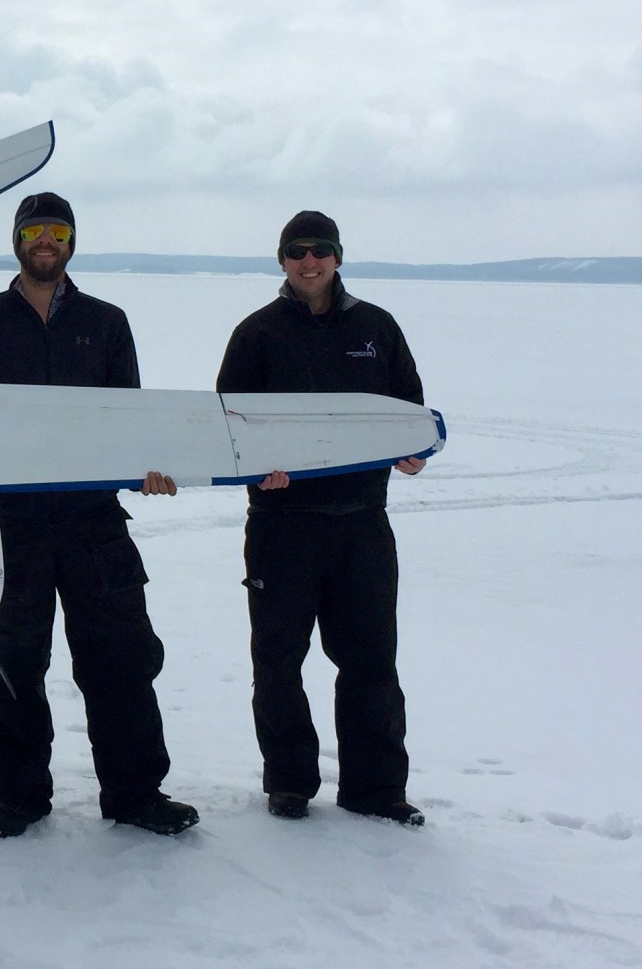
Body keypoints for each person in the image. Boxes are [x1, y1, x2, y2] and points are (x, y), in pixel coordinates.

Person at [0, 191, 198, 840]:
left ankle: (134, 793)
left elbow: (130, 418)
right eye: (35, 229)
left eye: (58, 229)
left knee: (122, 661)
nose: (47, 240)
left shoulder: (106, 322)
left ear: (72, 240)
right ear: (17, 240)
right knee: (11, 663)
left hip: (93, 523)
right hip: (10, 525)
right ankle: (19, 795)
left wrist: (150, 468)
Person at [215, 210, 429, 827]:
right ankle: (289, 782)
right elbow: (229, 425)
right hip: (283, 525)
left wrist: (412, 451)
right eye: (296, 252)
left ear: (338, 256)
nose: (309, 262)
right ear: (281, 260)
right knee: (278, 660)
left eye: (320, 250)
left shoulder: (376, 327)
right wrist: (258, 469)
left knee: (370, 661)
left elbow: (407, 411)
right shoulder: (256, 333)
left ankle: (376, 789)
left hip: (362, 522)